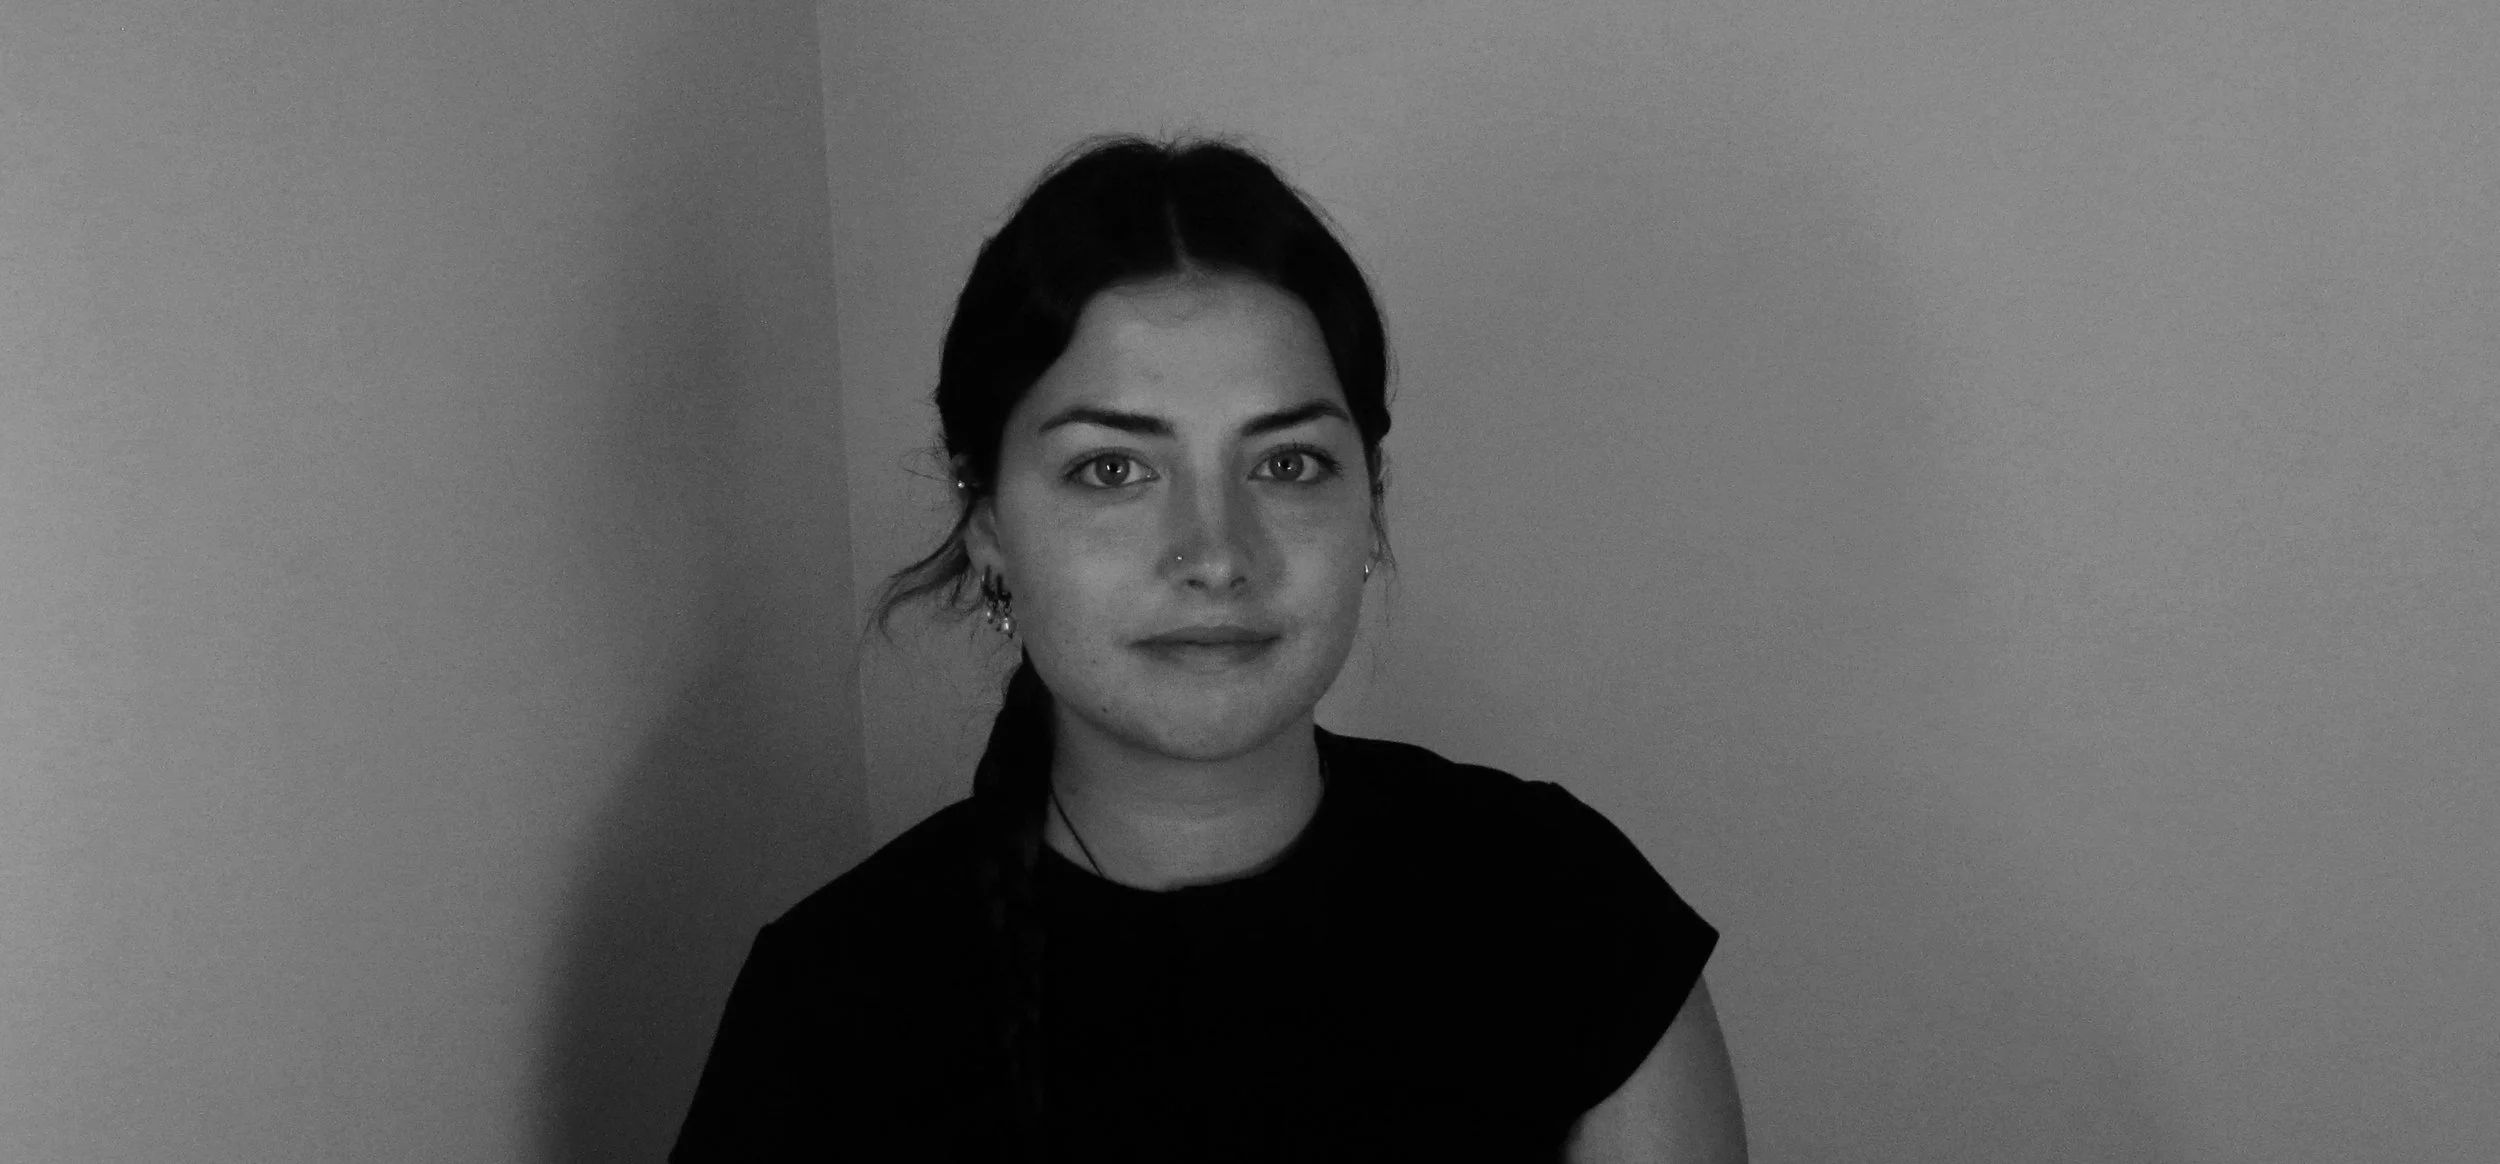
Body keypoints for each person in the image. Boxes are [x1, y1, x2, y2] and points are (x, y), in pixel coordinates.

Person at [671, 134, 1745, 1162]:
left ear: (1370, 507)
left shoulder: (1565, 916)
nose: (1215, 554)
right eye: (1111, 471)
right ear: (989, 521)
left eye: (1286, 466)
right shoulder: (830, 1004)